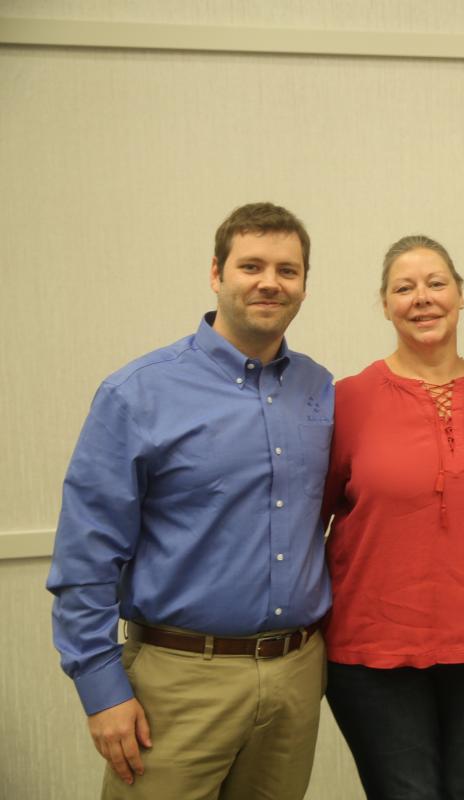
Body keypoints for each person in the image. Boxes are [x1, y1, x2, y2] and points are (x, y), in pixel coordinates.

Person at [46, 202, 333, 798]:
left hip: (296, 674)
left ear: (305, 284)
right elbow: (86, 556)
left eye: (288, 269)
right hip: (178, 682)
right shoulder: (138, 393)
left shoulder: (319, 390)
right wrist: (102, 692)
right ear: (216, 273)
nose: (269, 282)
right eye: (251, 265)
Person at [321, 235, 464, 800]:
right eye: (404, 287)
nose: (422, 298)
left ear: (461, 295)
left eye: (436, 283)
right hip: (373, 649)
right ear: (385, 303)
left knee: (454, 791)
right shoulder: (347, 401)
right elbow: (304, 520)